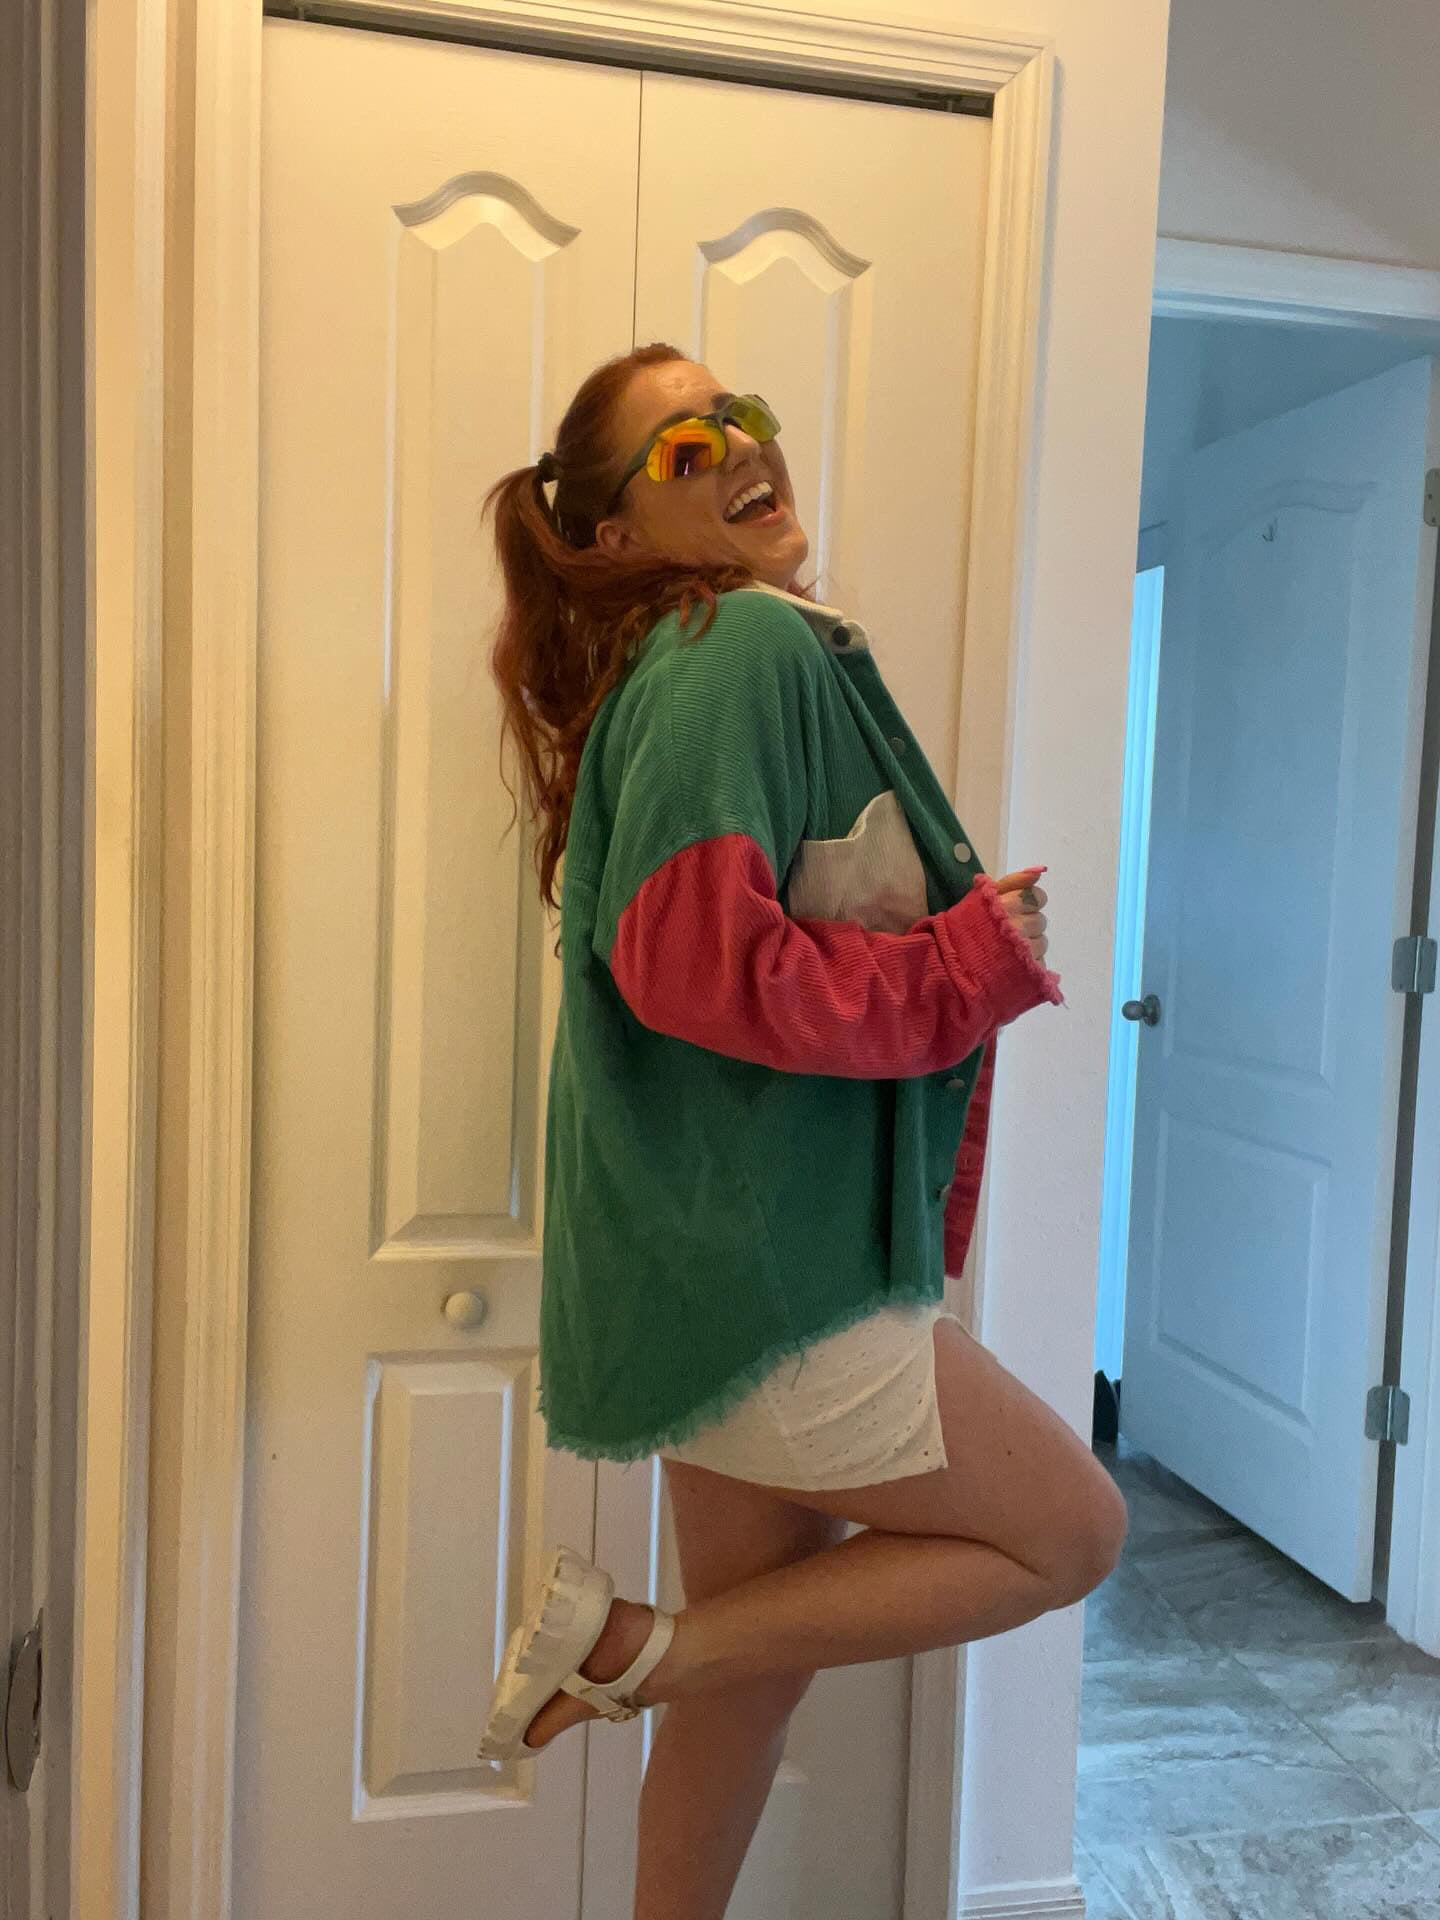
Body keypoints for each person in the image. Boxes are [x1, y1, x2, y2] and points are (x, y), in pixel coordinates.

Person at [479, 344, 1127, 1919]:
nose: (738, 449)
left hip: (704, 1272)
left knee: (751, 1678)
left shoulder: (685, 665)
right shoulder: (735, 644)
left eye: (742, 417)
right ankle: (633, 1647)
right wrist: (963, 963)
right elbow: (698, 965)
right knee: (1071, 1534)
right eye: (685, 448)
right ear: (619, 534)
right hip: (776, 1278)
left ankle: (663, 1683)